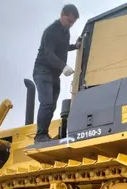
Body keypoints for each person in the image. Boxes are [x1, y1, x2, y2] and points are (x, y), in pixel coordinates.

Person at [32, 4, 81, 144]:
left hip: (54, 75)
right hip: (42, 71)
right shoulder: (51, 31)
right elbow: (49, 53)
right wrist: (63, 66)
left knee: (52, 105)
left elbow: (63, 48)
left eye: (73, 22)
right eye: (69, 21)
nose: (70, 25)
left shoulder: (65, 32)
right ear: (62, 15)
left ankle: (43, 134)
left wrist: (75, 46)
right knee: (46, 103)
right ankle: (40, 136)